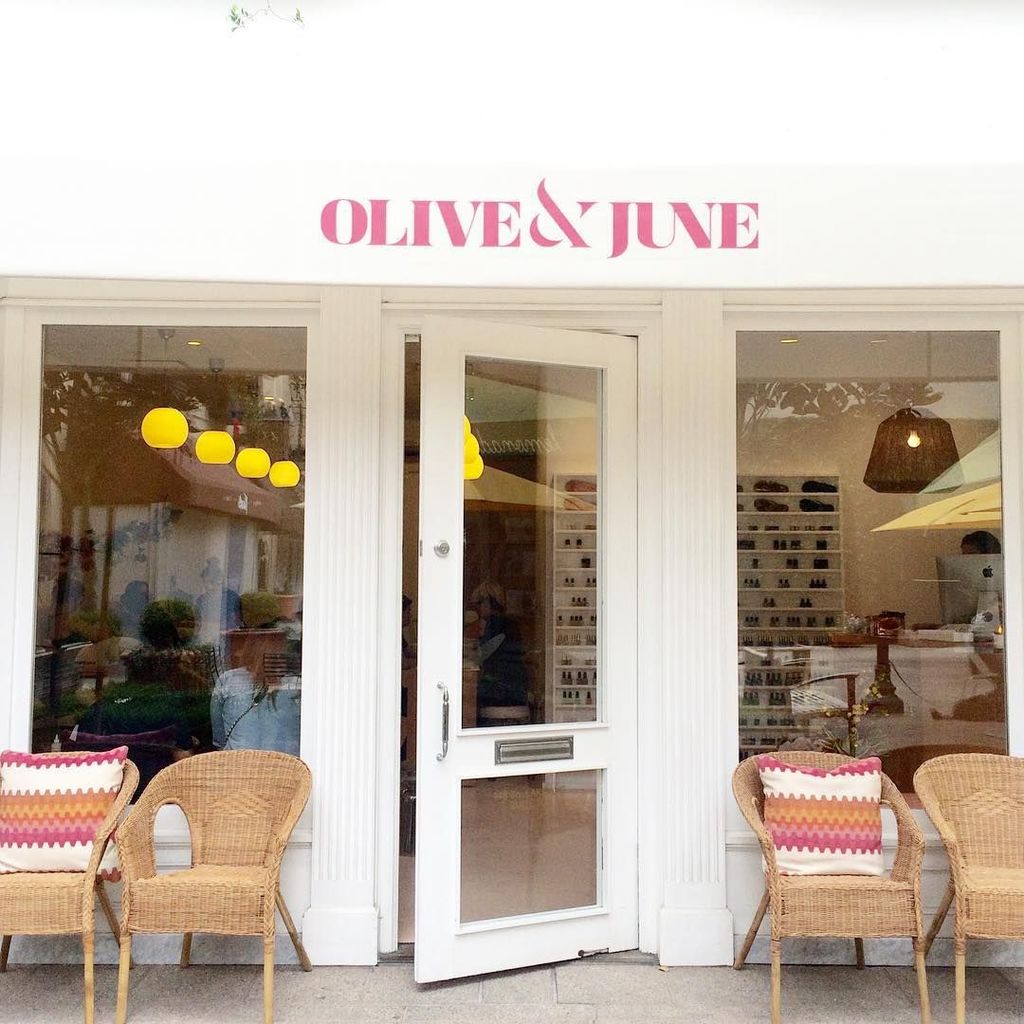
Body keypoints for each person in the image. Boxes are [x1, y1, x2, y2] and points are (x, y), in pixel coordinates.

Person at [469, 582, 530, 715]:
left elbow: (481, 655)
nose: (478, 609)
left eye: (479, 604)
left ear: (487, 603)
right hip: (516, 687)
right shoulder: (510, 623)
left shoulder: (494, 623)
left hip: (501, 688)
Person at [193, 557, 242, 649]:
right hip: (205, 639)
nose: (208, 586)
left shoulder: (232, 598)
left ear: (219, 580)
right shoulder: (200, 600)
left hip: (227, 641)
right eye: (205, 583)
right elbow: (197, 623)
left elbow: (236, 623)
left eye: (211, 582)